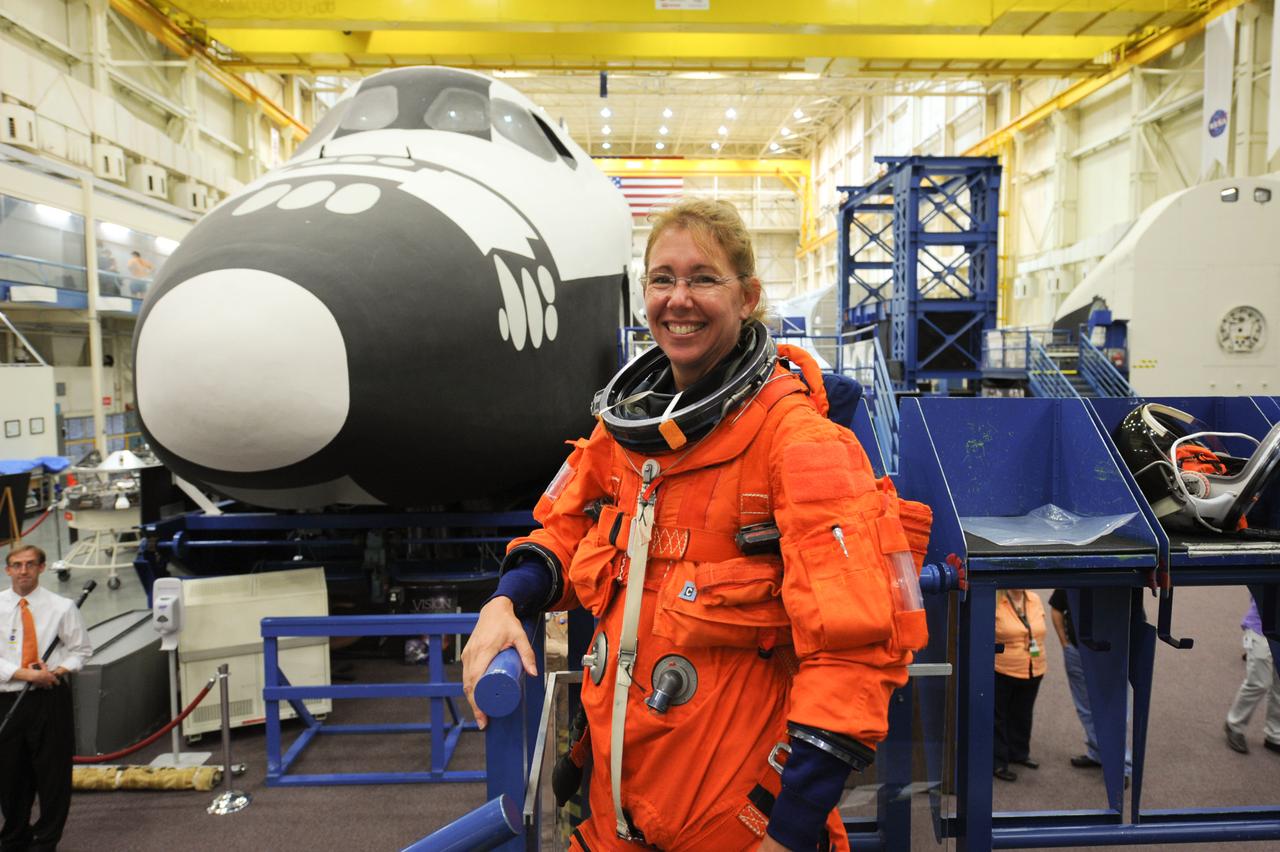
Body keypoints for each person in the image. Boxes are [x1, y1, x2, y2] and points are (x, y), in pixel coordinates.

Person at [462, 199, 931, 851]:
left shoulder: (799, 446)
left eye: (703, 278)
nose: (678, 298)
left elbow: (856, 651)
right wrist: (505, 601)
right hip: (610, 812)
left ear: (748, 297)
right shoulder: (625, 435)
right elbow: (560, 527)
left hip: (736, 827)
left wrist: (790, 834)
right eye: (662, 278)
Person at [0, 545, 91, 851]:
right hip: (7, 699)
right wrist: (25, 674)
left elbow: (81, 650)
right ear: (7, 570)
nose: (22, 570)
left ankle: (46, 839)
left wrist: (57, 670)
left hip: (49, 699)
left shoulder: (62, 607)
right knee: (9, 773)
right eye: (16, 565)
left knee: (53, 774)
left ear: (41, 568)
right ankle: (14, 836)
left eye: (29, 564)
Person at [1049, 588, 1133, 777]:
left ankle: (1122, 766)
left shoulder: (1118, 586)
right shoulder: (1073, 579)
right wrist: (1065, 644)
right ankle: (1097, 752)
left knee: (1116, 711)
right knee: (1085, 707)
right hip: (1077, 654)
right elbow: (1056, 609)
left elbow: (1135, 618)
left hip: (1111, 656)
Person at [993, 588, 1047, 782]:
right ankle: (998, 762)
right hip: (1004, 668)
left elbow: (1040, 630)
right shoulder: (997, 601)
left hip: (1034, 667)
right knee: (999, 717)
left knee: (1023, 714)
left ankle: (1019, 753)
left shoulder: (1034, 598)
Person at [1224, 597, 1280, 755]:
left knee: (1279, 685)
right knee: (1259, 682)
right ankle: (1233, 725)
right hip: (1260, 629)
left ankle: (1275, 734)